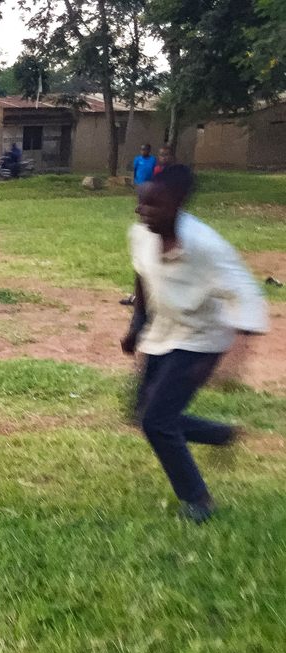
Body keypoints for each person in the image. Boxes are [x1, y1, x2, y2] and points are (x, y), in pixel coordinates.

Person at [121, 164, 268, 523]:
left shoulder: (207, 246)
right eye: (140, 202)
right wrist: (137, 324)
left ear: (178, 203)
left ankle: (198, 501)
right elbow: (141, 273)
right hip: (163, 330)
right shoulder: (142, 234)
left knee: (157, 422)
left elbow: (248, 296)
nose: (142, 211)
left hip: (202, 339)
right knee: (142, 413)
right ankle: (219, 434)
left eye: (152, 205)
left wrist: (232, 361)